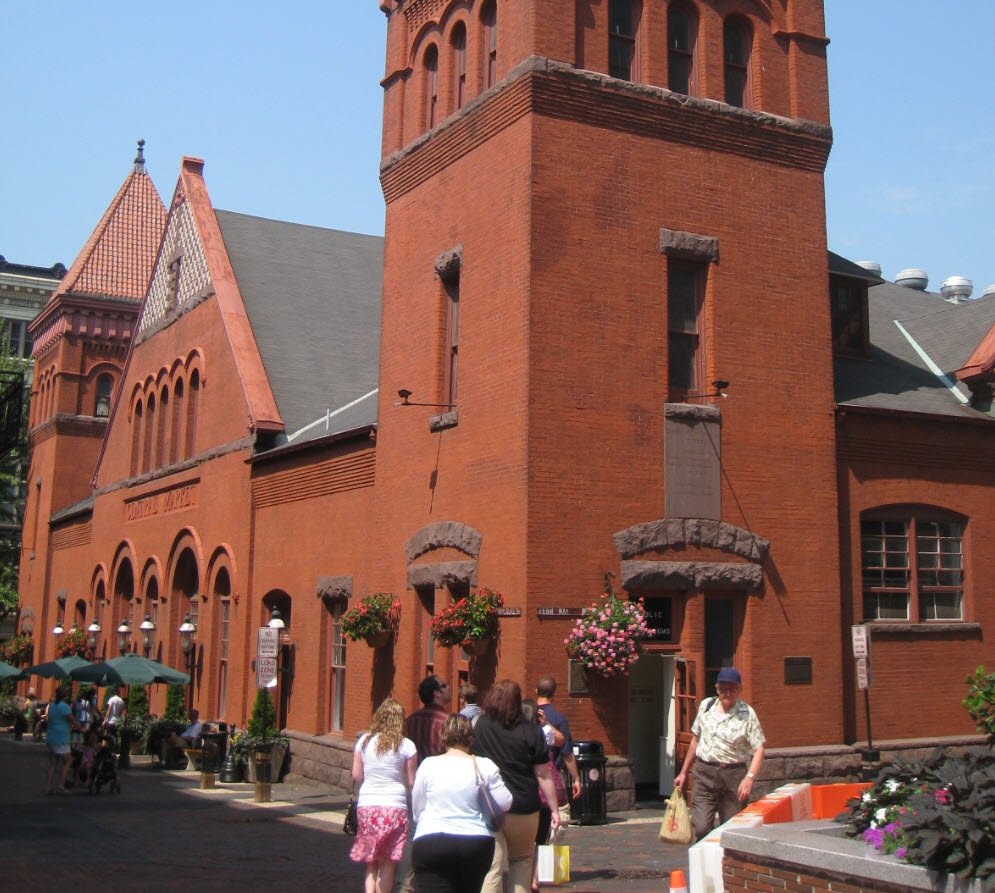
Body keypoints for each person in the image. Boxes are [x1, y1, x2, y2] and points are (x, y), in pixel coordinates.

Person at [473, 679, 561, 893]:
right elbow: (543, 774)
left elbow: (473, 761)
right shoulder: (530, 730)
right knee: (521, 862)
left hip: (490, 805)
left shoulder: (482, 725)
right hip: (524, 805)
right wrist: (554, 809)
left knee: (492, 867)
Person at [411, 713, 512, 893]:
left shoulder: (428, 765)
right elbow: (506, 803)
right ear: (471, 738)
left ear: (444, 737)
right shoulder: (484, 765)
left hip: (432, 840)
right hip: (474, 842)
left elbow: (418, 809)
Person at [674, 666, 766, 841]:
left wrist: (749, 778)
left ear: (740, 689)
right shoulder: (706, 706)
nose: (727, 693)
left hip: (733, 775)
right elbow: (696, 739)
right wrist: (684, 772)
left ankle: (725, 865)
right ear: (717, 689)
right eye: (723, 689)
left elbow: (759, 749)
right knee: (700, 827)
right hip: (704, 772)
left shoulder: (747, 714)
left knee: (732, 829)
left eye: (732, 689)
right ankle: (706, 860)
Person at [349, 698, 417, 893]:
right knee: (388, 862)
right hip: (394, 806)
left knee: (371, 861)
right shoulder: (407, 745)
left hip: (368, 805)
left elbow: (356, 775)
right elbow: (412, 781)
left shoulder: (364, 741)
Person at [397, 675, 453, 893]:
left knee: (414, 833)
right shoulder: (446, 723)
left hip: (413, 786)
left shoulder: (410, 721)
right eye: (445, 686)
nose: (449, 688)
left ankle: (406, 884)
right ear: (436, 693)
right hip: (441, 788)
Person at [522, 699, 566, 893]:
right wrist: (546, 722)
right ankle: (534, 877)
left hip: (526, 791)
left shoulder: (518, 734)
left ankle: (524, 877)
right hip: (544, 793)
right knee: (540, 840)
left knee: (524, 841)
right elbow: (561, 739)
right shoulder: (544, 733)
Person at [535, 676, 582, 806]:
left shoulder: (525, 715)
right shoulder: (559, 719)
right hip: (552, 775)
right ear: (553, 694)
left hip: (530, 777)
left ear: (536, 691)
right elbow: (566, 753)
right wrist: (576, 779)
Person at [44, 685, 82, 795]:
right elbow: (73, 720)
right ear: (64, 695)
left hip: (51, 737)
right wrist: (81, 729)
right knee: (69, 760)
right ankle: (61, 785)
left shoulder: (52, 706)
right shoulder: (64, 707)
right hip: (60, 738)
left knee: (53, 763)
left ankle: (49, 786)